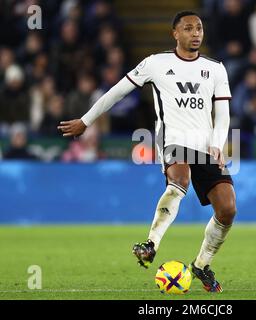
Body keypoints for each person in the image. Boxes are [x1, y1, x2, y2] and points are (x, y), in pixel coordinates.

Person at [58, 11, 237, 293]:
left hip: (205, 145)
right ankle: (151, 244)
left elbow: (223, 113)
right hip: (173, 139)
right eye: (188, 28)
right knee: (179, 181)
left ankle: (202, 265)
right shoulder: (155, 63)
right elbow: (117, 91)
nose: (196, 33)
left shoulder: (215, 68)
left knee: (227, 209)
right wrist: (86, 120)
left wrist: (217, 142)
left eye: (199, 28)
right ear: (175, 34)